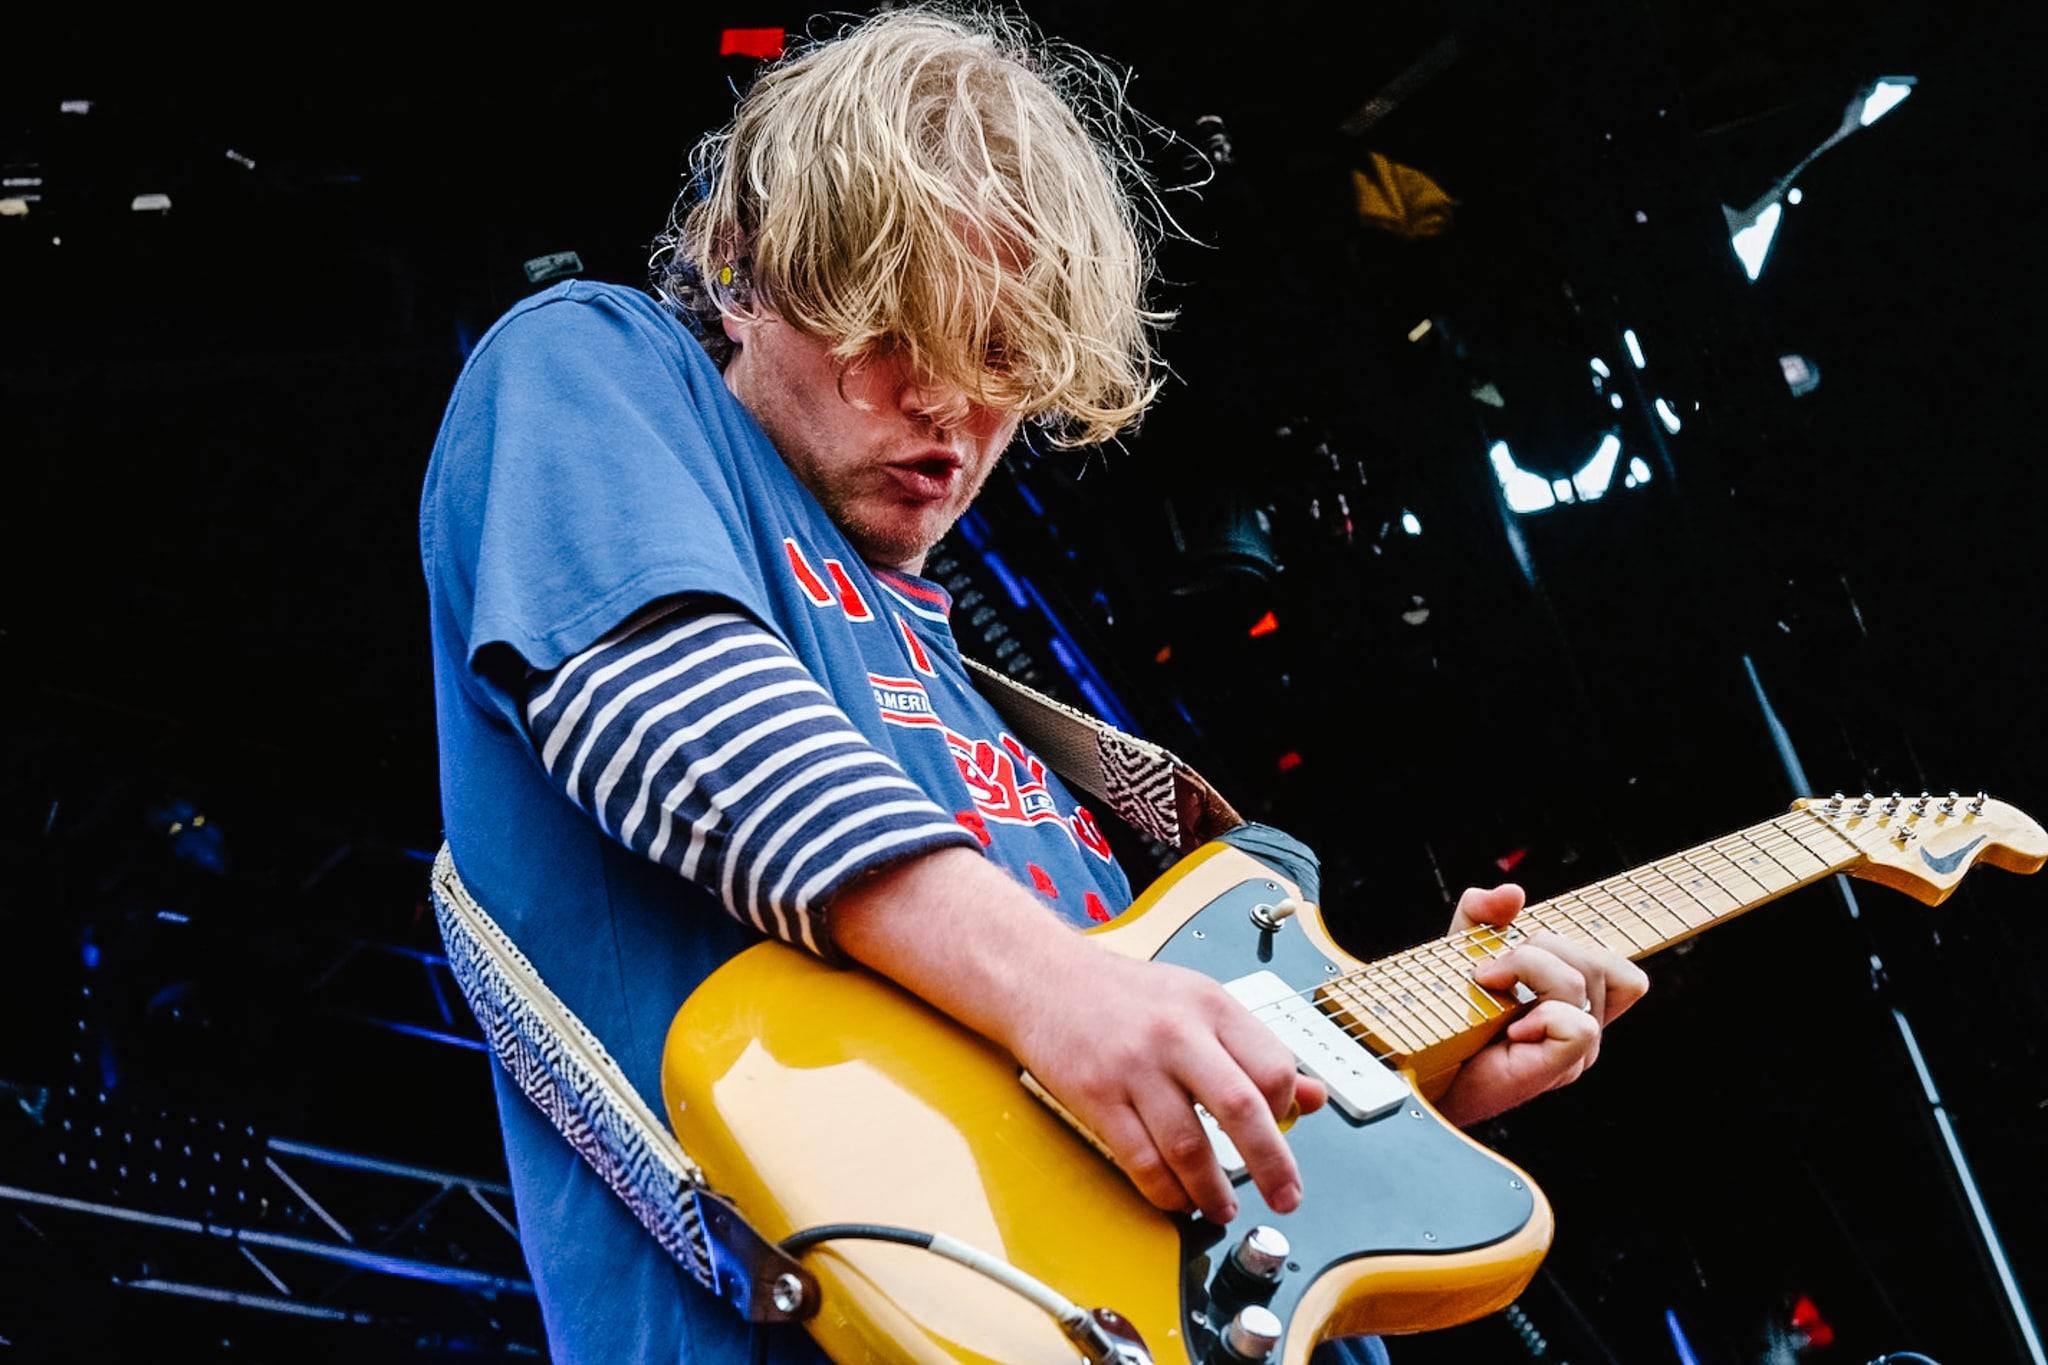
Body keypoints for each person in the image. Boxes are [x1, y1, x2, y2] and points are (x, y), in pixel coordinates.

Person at [419, 7, 1650, 1364]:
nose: (949, 409)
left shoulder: (991, 718)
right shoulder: (599, 367)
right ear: (743, 267)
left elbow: (1090, 1144)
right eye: (899, 329)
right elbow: (677, 711)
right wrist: (1061, 989)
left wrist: (1381, 1088)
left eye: (1003, 360)